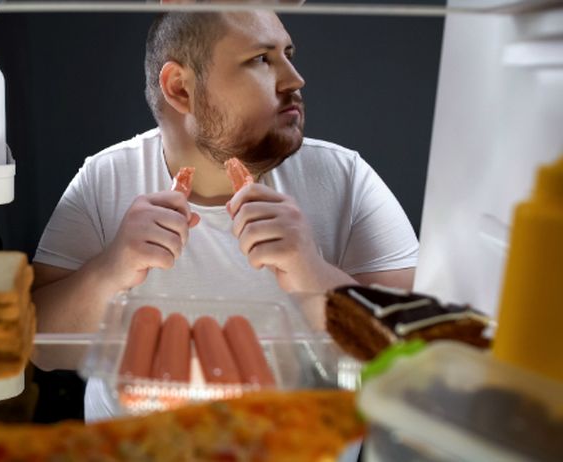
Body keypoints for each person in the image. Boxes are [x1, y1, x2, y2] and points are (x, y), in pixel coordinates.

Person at [31, 11, 419, 421]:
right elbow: (43, 349)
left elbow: (410, 359)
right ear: (180, 88)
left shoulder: (346, 178)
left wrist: (312, 271)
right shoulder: (105, 178)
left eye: (287, 54)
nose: (294, 78)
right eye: (261, 59)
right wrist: (111, 269)